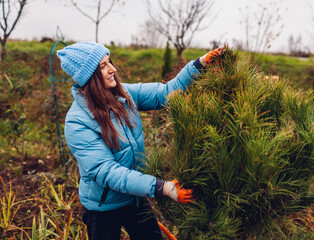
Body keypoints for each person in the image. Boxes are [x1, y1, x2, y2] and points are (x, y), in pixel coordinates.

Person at [57, 41, 223, 240]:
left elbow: (166, 92)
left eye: (110, 61)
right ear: (89, 76)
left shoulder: (124, 95)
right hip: (103, 208)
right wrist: (163, 187)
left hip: (134, 197)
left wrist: (199, 65)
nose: (113, 69)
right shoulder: (77, 122)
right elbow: (107, 172)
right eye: (103, 66)